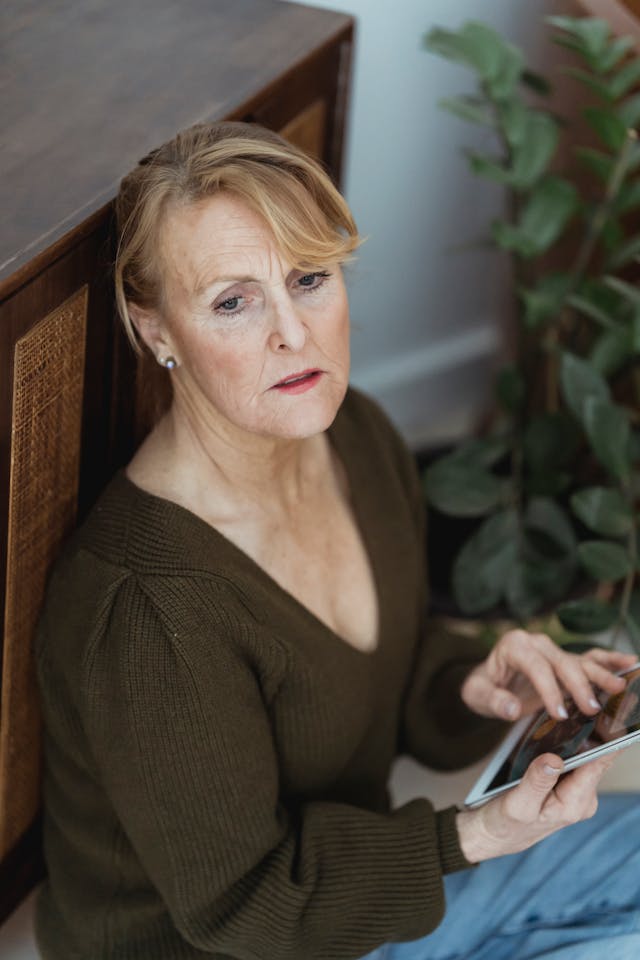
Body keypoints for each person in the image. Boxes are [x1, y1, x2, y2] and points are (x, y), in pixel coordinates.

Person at [34, 120, 640, 960]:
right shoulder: (146, 606)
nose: (294, 333)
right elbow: (244, 906)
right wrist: (476, 835)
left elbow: (378, 669)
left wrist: (473, 685)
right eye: (233, 302)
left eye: (309, 278)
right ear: (156, 330)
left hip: (352, 904)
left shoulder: (355, 436)